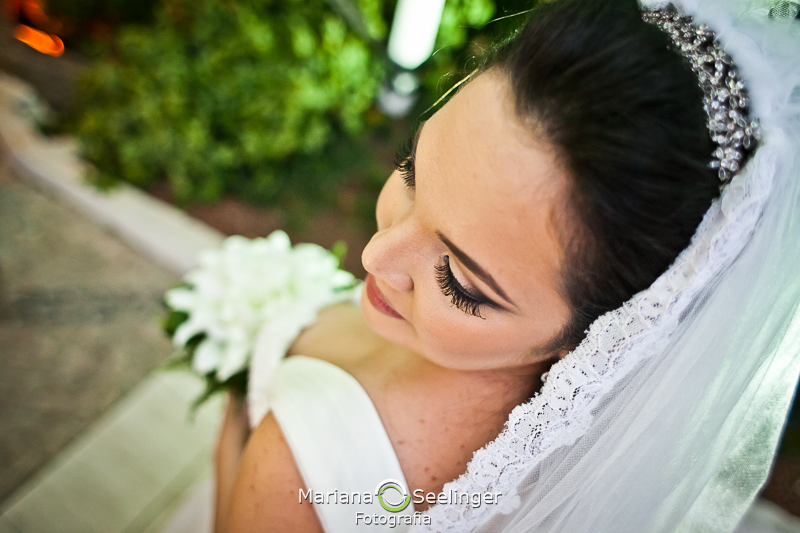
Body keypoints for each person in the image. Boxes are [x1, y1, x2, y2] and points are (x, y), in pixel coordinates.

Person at [211, 0, 800, 531]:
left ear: (598, 334)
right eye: (412, 171)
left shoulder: (304, 474)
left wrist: (232, 447)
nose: (374, 256)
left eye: (459, 281)